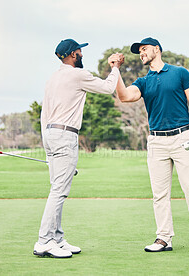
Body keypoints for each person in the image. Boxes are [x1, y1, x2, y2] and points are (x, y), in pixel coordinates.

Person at [115, 37, 189, 253]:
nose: (141, 53)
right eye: (139, 51)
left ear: (156, 49)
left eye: (144, 49)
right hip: (157, 141)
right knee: (159, 194)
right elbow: (124, 96)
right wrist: (116, 71)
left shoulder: (179, 73)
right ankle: (164, 238)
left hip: (183, 137)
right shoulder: (143, 81)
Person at [33, 39, 123, 258]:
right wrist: (115, 67)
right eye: (80, 51)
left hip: (51, 134)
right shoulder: (77, 75)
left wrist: (48, 149)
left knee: (57, 187)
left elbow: (44, 115)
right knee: (59, 191)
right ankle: (44, 241)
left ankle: (57, 238)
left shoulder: (53, 78)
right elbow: (109, 87)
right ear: (73, 54)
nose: (82, 54)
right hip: (65, 136)